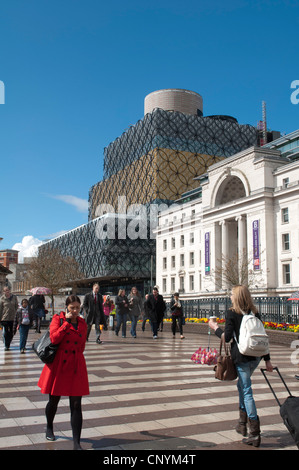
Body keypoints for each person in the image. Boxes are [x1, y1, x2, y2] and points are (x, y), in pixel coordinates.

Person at [209, 285, 273, 448]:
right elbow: (261, 336)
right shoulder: (255, 313)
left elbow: (228, 337)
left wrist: (215, 328)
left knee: (246, 390)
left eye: (231, 294)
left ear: (236, 297)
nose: (230, 296)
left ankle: (254, 433)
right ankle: (242, 423)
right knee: (242, 386)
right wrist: (267, 360)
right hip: (256, 356)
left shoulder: (232, 313)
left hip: (242, 357)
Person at [37, 295, 89, 450]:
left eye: (77, 308)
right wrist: (66, 323)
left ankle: (76, 443)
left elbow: (82, 345)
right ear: (66, 307)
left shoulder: (82, 323)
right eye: (72, 307)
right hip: (59, 365)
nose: (74, 311)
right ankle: (49, 426)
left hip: (75, 365)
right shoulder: (57, 319)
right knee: (54, 400)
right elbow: (54, 339)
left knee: (76, 404)